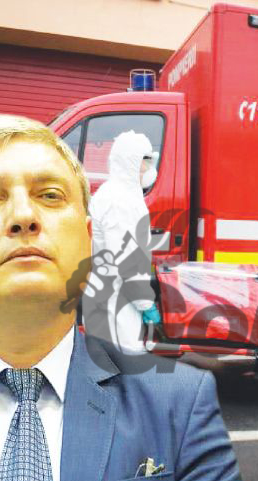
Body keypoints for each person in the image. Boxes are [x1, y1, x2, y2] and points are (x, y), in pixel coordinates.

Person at [0, 114, 248, 481]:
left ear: (87, 240)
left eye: (50, 195)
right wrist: (142, 295)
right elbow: (131, 258)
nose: (24, 216)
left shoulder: (178, 406)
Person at [88, 130, 160, 351]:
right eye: (143, 161)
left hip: (113, 299)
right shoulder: (120, 201)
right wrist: (145, 304)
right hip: (116, 304)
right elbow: (127, 261)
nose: (147, 168)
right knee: (123, 362)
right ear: (130, 162)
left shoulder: (118, 194)